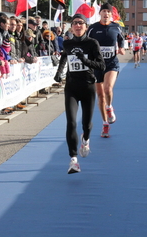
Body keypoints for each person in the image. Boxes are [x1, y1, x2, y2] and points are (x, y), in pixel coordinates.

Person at [53, 14, 105, 174]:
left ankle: (86, 139)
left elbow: (101, 65)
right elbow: (63, 59)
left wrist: (85, 61)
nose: (77, 25)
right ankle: (73, 160)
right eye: (74, 23)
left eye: (80, 23)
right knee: (71, 123)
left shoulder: (92, 43)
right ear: (71, 27)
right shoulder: (67, 43)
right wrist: (59, 72)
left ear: (86, 26)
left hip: (88, 86)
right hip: (71, 88)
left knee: (87, 125)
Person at [87, 3, 125, 138]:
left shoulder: (116, 27)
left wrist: (121, 47)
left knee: (108, 89)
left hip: (111, 63)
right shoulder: (92, 28)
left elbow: (121, 40)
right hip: (97, 65)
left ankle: (109, 108)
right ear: (100, 13)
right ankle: (105, 124)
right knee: (100, 95)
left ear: (111, 14)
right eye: (103, 11)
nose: (106, 14)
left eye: (108, 12)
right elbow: (87, 42)